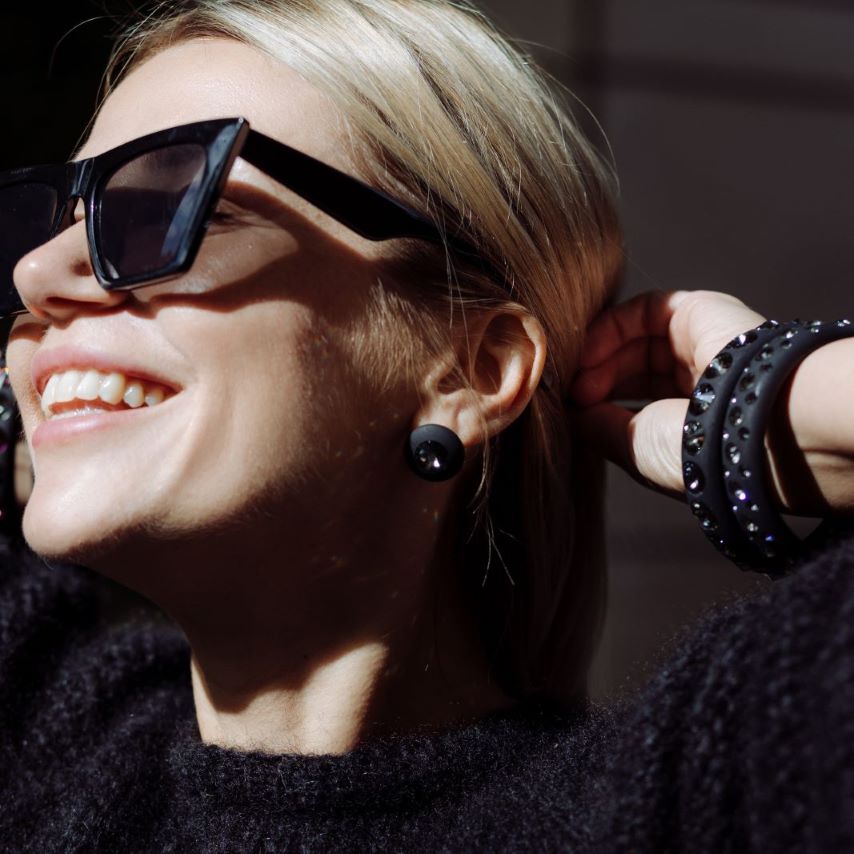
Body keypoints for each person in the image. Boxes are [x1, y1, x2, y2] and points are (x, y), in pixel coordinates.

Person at [0, 1, 852, 850]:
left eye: (179, 206)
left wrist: (761, 409)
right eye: (55, 223)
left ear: (471, 369)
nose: (38, 272)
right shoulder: (45, 744)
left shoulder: (671, 803)